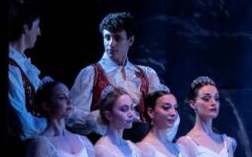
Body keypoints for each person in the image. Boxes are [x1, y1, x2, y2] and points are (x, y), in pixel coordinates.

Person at [68, 12, 178, 142]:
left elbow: (163, 112)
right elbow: (71, 115)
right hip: (103, 142)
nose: (111, 43)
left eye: (117, 38)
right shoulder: (91, 73)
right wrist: (102, 117)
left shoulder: (147, 74)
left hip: (141, 144)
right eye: (107, 38)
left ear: (130, 41)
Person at [7, 0, 46, 141]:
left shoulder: (24, 63)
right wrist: (52, 122)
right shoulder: (11, 68)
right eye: (37, 26)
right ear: (25, 28)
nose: (39, 32)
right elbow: (22, 122)